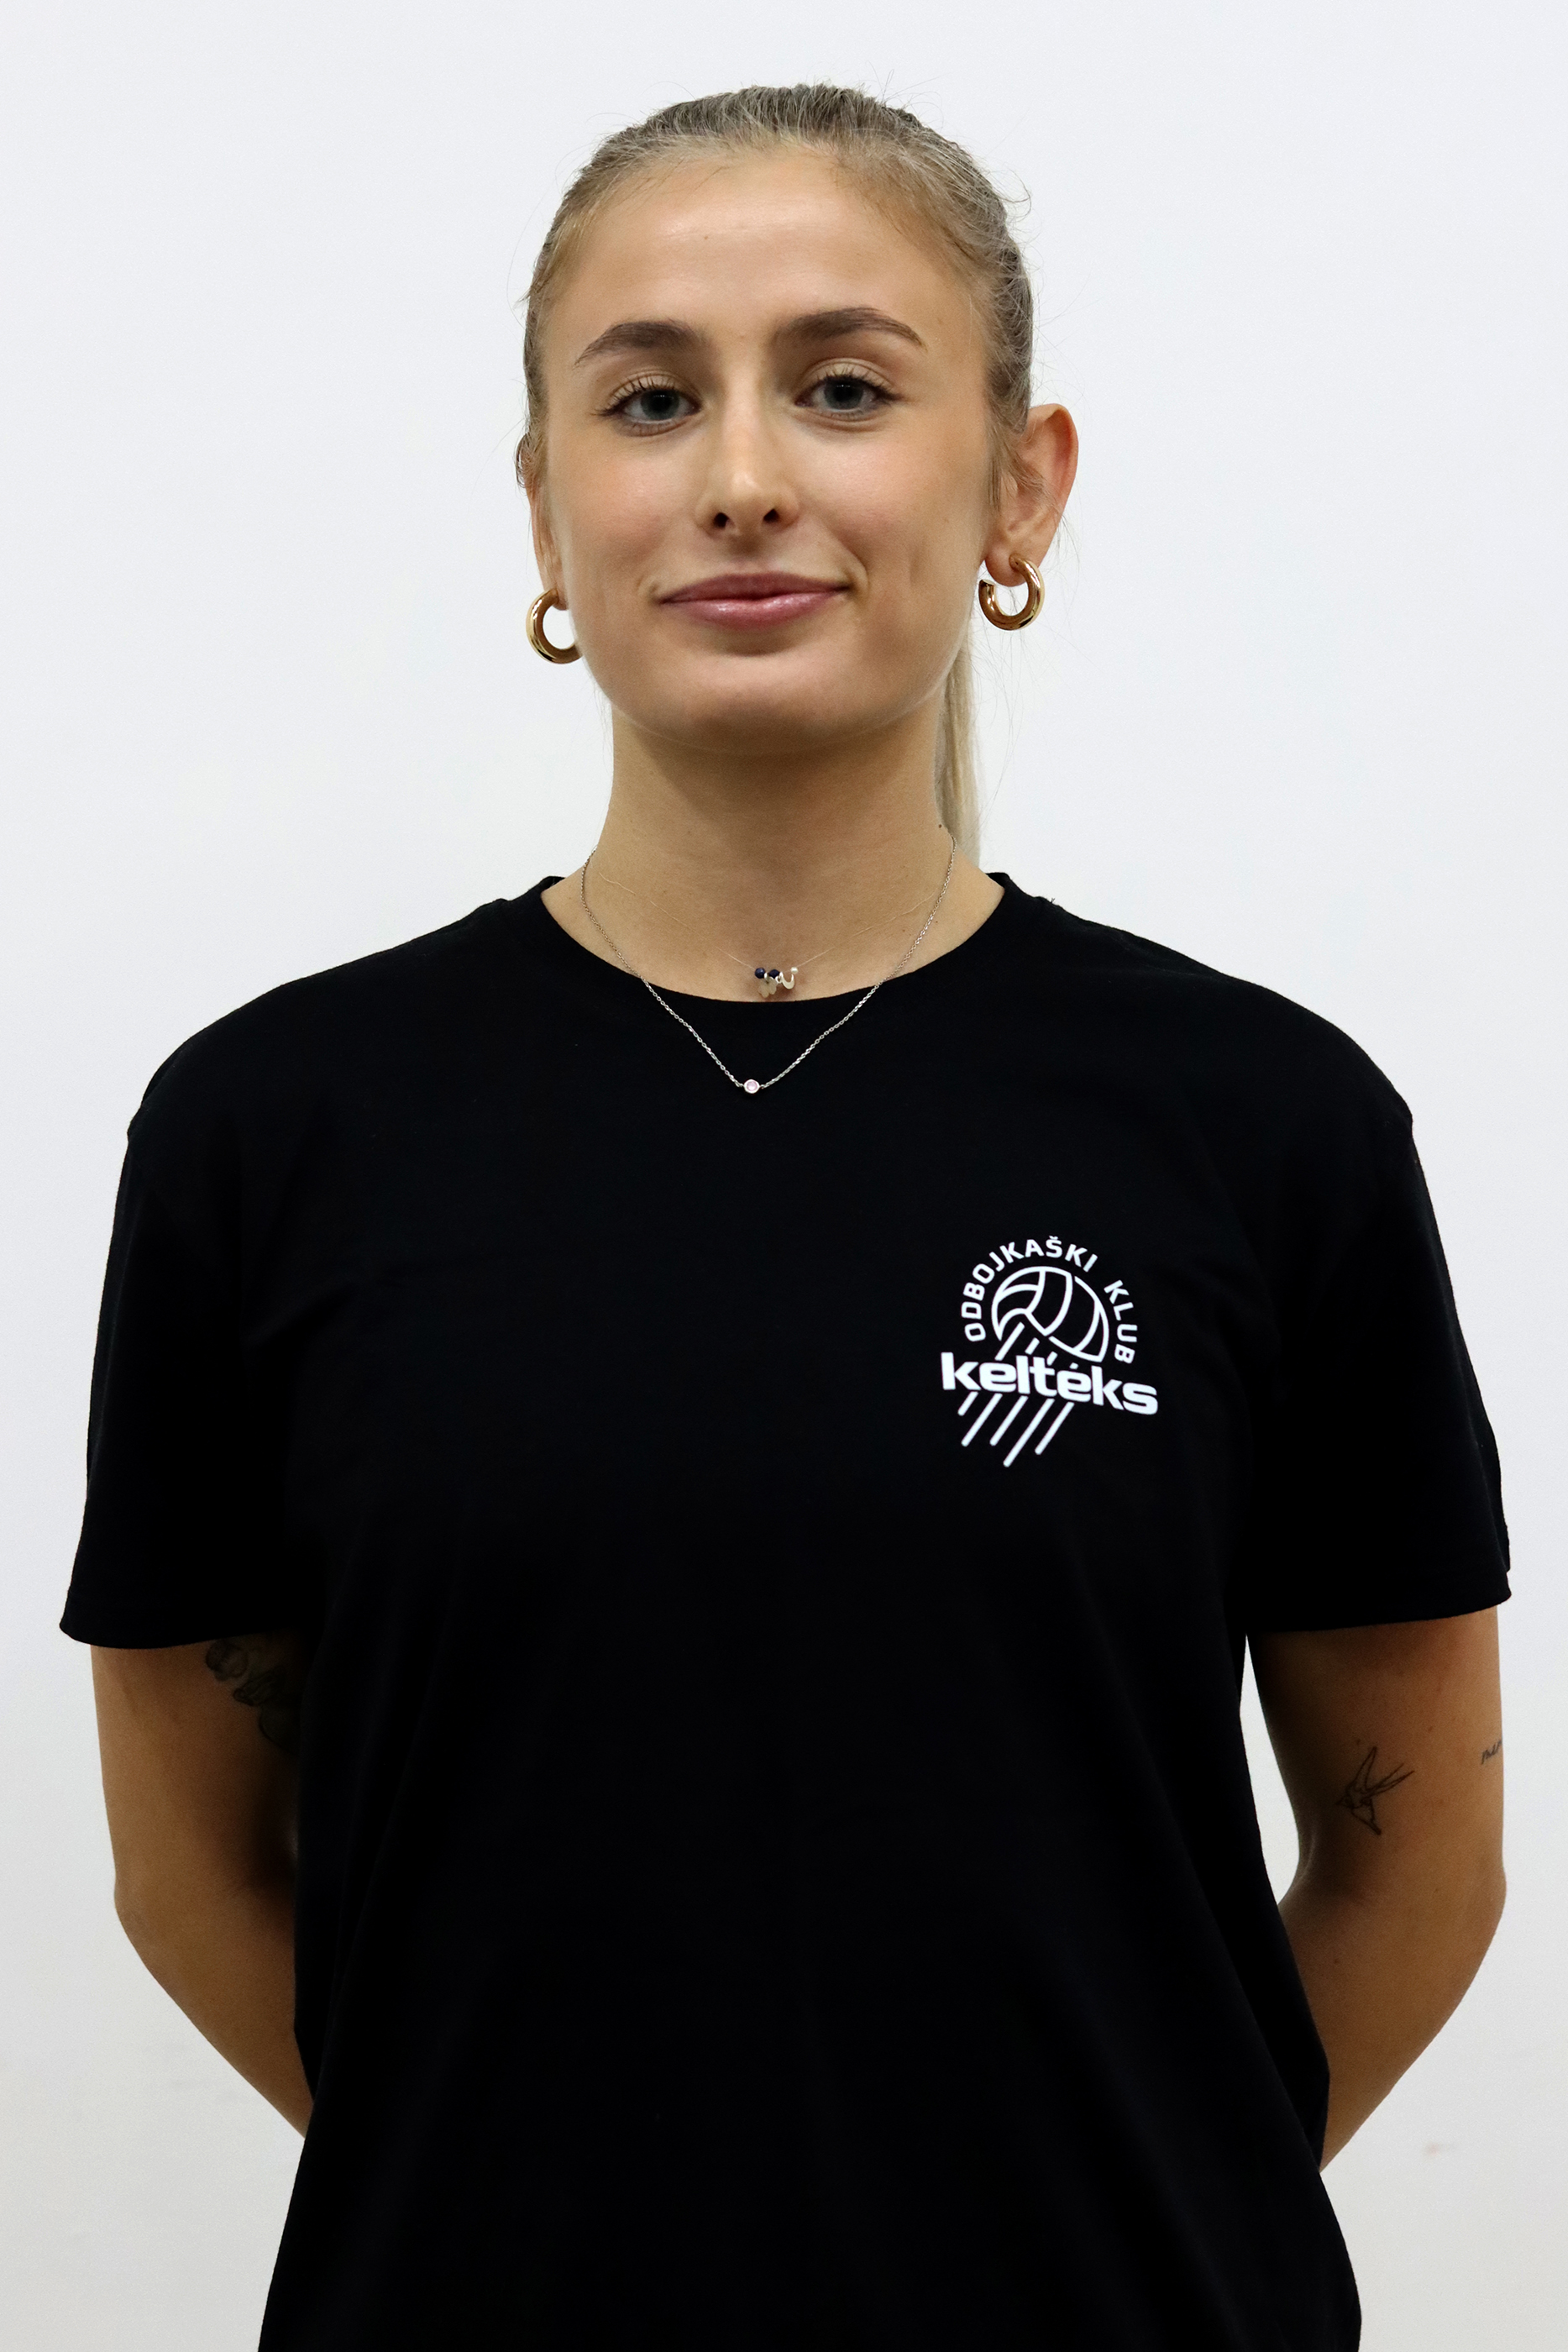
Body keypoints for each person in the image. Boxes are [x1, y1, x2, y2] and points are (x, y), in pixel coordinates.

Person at [62, 83, 1508, 2352]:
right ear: (546, 506)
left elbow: (1419, 1853)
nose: (741, 474)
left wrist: (1127, 2223)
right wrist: (518, 2210)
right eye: (650, 401)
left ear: (1018, 484)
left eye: (842, 387)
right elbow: (196, 1869)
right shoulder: (271, 1134)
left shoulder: (1264, 1126)